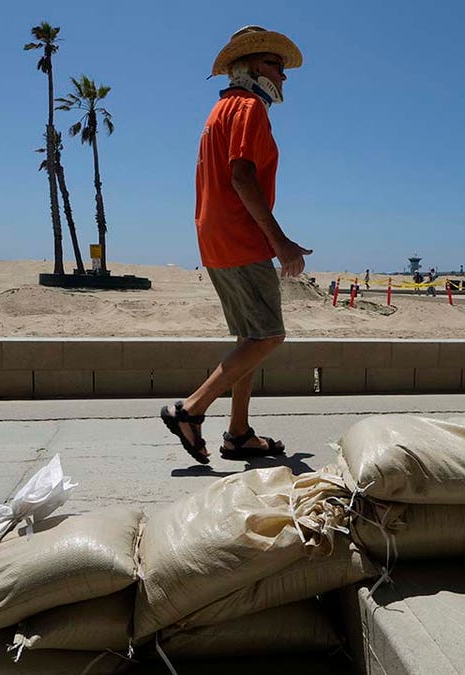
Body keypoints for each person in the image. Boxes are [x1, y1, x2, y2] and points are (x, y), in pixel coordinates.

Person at [160, 25, 310, 465]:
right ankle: (190, 409)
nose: (283, 77)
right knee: (269, 335)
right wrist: (280, 241)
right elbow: (242, 175)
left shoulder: (219, 110)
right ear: (248, 67)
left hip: (215, 236)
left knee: (250, 336)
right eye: (274, 65)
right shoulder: (248, 108)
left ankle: (239, 433)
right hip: (241, 238)